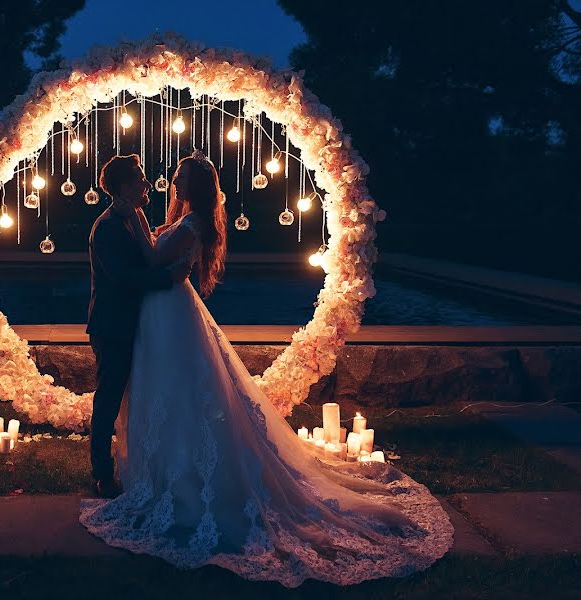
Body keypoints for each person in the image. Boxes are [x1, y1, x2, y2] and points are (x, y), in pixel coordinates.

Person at [79, 150, 454, 587]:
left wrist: (157, 246)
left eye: (177, 178)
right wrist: (152, 238)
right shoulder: (117, 223)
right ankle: (123, 468)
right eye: (148, 179)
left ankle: (178, 469)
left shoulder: (187, 221)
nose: (165, 183)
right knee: (144, 392)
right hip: (146, 316)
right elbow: (142, 266)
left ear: (194, 187)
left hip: (168, 314)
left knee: (181, 390)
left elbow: (154, 261)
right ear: (126, 186)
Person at [86, 154, 191, 499]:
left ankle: (143, 461)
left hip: (136, 323)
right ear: (122, 188)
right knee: (109, 399)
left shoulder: (134, 217)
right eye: (140, 180)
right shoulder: (108, 227)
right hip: (113, 326)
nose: (147, 185)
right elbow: (122, 278)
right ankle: (102, 474)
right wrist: (167, 278)